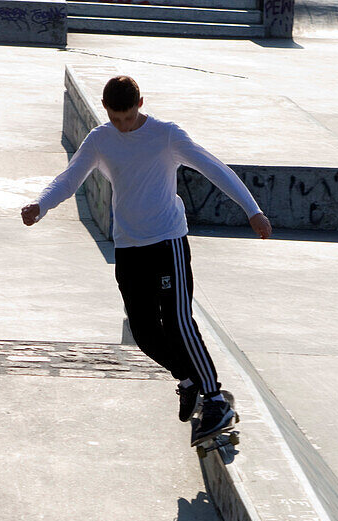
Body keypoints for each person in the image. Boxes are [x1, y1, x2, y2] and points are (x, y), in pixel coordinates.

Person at [21, 75, 272, 444]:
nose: (122, 126)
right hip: (128, 245)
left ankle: (216, 399)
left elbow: (213, 168)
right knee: (142, 331)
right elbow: (70, 178)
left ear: (141, 103)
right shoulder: (100, 139)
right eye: (115, 118)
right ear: (106, 111)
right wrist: (41, 205)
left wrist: (252, 210)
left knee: (177, 321)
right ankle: (188, 380)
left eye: (127, 117)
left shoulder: (166, 135)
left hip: (167, 240)